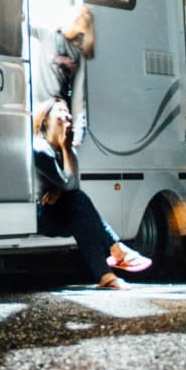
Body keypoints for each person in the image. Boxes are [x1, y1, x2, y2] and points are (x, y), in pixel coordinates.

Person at [33, 97, 152, 289]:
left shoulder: (68, 148)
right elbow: (71, 186)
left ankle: (106, 277)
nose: (67, 115)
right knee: (78, 202)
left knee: (81, 216)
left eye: (68, 111)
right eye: (60, 111)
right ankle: (117, 249)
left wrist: (60, 188)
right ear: (46, 119)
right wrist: (63, 183)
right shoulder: (40, 149)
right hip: (37, 216)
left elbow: (71, 185)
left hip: (58, 213)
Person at [32, 4, 95, 146]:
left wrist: (78, 132)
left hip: (56, 115)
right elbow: (26, 28)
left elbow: (79, 96)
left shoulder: (77, 54)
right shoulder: (48, 34)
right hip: (45, 111)